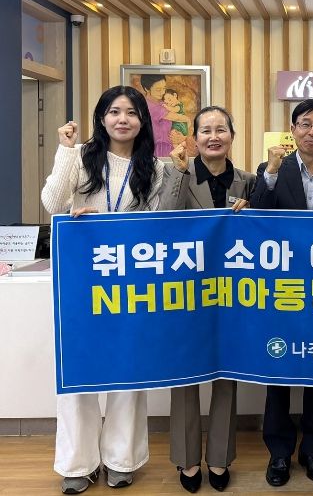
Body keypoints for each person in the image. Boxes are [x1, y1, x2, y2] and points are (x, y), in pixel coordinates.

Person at [41, 85, 164, 494]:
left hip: (130, 283)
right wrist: (64, 150)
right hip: (82, 280)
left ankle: (120, 460)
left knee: (128, 371)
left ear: (142, 121)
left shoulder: (154, 167)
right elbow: (52, 203)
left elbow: (156, 223)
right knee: (79, 372)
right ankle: (77, 464)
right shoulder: (80, 156)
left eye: (131, 112)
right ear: (102, 118)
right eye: (114, 111)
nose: (122, 119)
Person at [250, 99, 313, 487]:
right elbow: (257, 217)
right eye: (305, 124)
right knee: (279, 371)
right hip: (282, 290)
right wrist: (271, 172)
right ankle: (278, 453)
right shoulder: (271, 170)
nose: (312, 131)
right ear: (293, 130)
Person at [160, 106, 254, 493]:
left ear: (232, 135)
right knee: (185, 376)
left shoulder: (249, 181)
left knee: (226, 377)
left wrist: (251, 213)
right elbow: (163, 221)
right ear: (194, 138)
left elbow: (263, 235)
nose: (213, 137)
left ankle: (219, 457)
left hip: (231, 296)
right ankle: (186, 460)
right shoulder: (177, 173)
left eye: (221, 129)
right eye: (205, 130)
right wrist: (179, 172)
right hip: (188, 294)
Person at [140, 74, 190, 157]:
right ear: (146, 89)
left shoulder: (162, 103)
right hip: (159, 149)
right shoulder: (150, 106)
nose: (163, 92)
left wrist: (182, 136)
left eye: (164, 88)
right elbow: (178, 118)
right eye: (158, 89)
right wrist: (188, 119)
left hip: (169, 147)